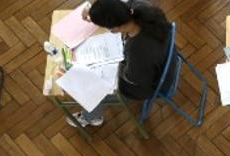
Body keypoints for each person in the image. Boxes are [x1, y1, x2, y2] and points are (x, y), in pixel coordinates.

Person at [67, 0, 174, 128]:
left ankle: (91, 117)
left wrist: (116, 66)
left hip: (150, 84)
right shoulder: (140, 7)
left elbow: (135, 79)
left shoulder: (137, 50)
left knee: (96, 88)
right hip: (166, 58)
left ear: (114, 29)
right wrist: (92, 11)